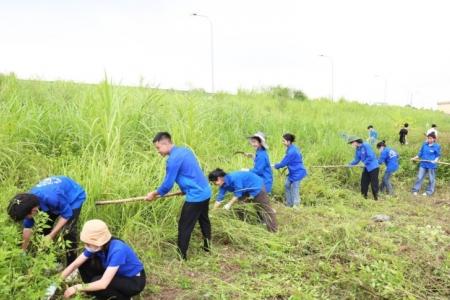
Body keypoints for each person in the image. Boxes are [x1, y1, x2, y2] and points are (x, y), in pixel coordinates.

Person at [145, 132, 212, 260]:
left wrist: (153, 194)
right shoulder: (184, 151)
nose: (158, 151)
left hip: (196, 195)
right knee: (204, 219)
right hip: (206, 191)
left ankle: (181, 257)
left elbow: (167, 185)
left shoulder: (173, 159)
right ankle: (207, 247)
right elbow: (190, 172)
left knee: (184, 225)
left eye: (158, 148)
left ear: (165, 143)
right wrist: (184, 189)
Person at [7, 176, 86, 266]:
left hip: (73, 197)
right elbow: (27, 228)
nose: (27, 218)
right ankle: (53, 262)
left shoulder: (52, 198)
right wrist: (23, 251)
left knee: (68, 231)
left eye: (27, 217)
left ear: (33, 210)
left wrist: (52, 235)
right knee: (42, 227)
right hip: (54, 200)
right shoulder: (27, 203)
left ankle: (72, 266)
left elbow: (66, 214)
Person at [60, 219, 146, 300]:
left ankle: (124, 298)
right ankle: (94, 293)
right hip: (116, 274)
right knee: (84, 263)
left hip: (133, 280)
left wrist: (77, 287)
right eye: (86, 243)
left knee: (98, 283)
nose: (87, 246)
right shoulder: (96, 246)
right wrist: (57, 280)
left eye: (89, 244)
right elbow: (75, 264)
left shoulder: (118, 250)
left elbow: (103, 284)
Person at [208, 168, 278, 233]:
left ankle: (273, 231)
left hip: (256, 185)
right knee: (240, 207)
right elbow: (219, 199)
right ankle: (246, 226)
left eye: (214, 182)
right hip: (244, 189)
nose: (214, 184)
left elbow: (238, 194)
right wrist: (213, 212)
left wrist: (229, 204)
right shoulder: (223, 185)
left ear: (219, 178)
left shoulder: (234, 178)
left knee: (265, 208)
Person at [273, 133, 307, 208]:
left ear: (289, 142)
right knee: (287, 185)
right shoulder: (293, 148)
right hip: (293, 172)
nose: (283, 142)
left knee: (294, 189)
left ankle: (296, 206)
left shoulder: (291, 152)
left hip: (298, 172)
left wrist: (276, 165)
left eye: (284, 141)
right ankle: (289, 203)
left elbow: (283, 163)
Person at [347, 136, 380, 200]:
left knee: (374, 183)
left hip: (373, 167)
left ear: (355, 141)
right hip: (366, 168)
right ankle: (363, 198)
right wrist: (349, 164)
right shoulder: (357, 149)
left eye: (351, 143)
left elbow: (370, 156)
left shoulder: (366, 145)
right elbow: (357, 159)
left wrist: (364, 163)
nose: (351, 145)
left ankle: (376, 198)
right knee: (363, 183)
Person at [410, 132, 440, 196]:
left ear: (434, 139)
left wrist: (435, 160)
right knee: (419, 177)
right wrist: (415, 158)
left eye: (430, 139)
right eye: (428, 138)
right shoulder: (424, 144)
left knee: (431, 179)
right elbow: (420, 153)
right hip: (423, 164)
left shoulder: (437, 146)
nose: (429, 140)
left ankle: (428, 192)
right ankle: (415, 190)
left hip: (432, 165)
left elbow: (438, 155)